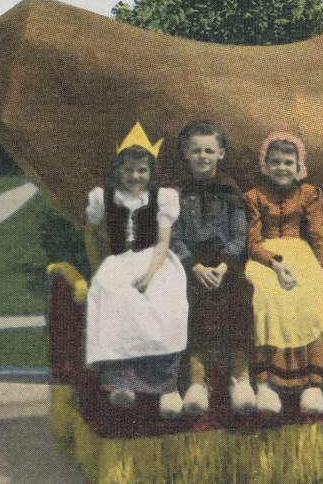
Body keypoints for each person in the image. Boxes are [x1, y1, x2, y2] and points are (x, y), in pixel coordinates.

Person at [84, 123, 187, 418]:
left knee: (164, 302)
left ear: (151, 172)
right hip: (118, 262)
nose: (135, 176)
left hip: (154, 260)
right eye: (129, 170)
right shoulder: (104, 198)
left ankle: (166, 385)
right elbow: (90, 231)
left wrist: (152, 273)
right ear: (119, 170)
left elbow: (164, 241)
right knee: (114, 298)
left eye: (141, 170)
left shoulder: (162, 198)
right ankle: (121, 382)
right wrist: (97, 266)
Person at [244, 132, 323, 415]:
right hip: (264, 258)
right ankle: (266, 384)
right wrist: (273, 263)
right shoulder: (254, 196)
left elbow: (320, 234)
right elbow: (251, 241)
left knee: (311, 298)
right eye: (275, 162)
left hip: (301, 253)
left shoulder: (310, 193)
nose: (282, 168)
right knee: (266, 298)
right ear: (265, 165)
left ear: (299, 166)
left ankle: (312, 383)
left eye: (288, 162)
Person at [169, 121, 255, 415]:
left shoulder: (230, 190)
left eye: (209, 150)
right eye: (196, 151)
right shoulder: (177, 193)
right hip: (190, 262)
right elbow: (173, 234)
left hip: (225, 261)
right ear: (185, 154)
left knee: (242, 296)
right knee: (190, 301)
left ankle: (240, 378)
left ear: (220, 154)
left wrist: (224, 265)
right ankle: (196, 381)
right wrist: (193, 266)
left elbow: (239, 234)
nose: (202, 156)